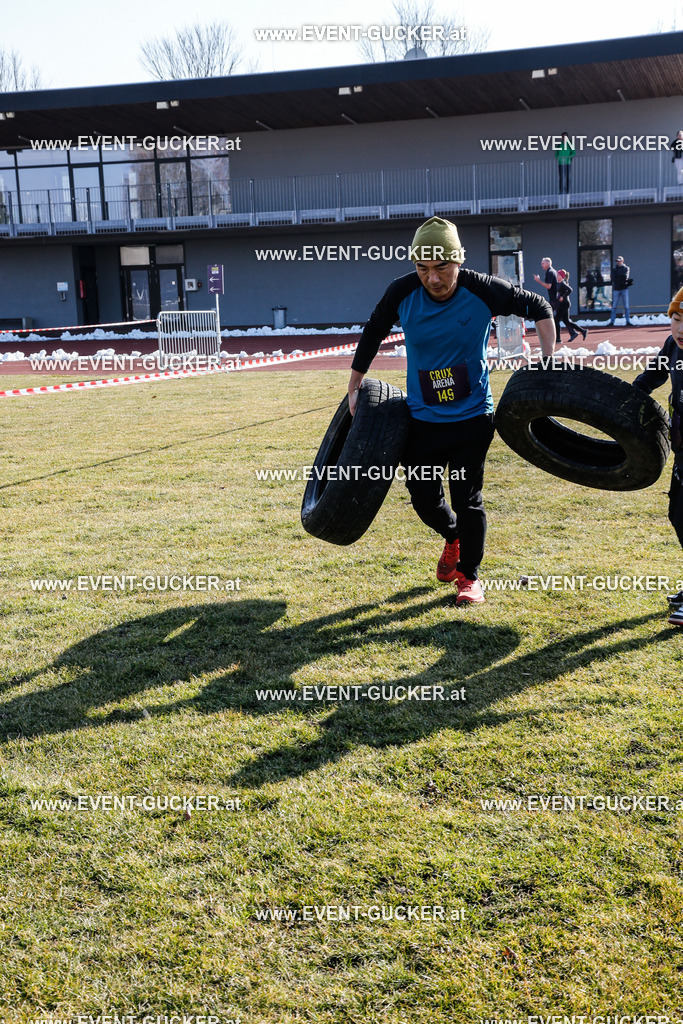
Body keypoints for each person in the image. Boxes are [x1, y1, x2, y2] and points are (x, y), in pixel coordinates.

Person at [347, 217, 555, 606]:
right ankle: (453, 536)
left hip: (472, 419)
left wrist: (547, 364)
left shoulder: (483, 289)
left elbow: (540, 306)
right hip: (421, 420)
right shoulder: (402, 292)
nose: (433, 278)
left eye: (442, 267)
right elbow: (374, 330)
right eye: (423, 268)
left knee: (467, 498)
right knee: (423, 498)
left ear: (458, 260)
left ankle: (470, 577)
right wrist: (354, 385)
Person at [632, 286, 683, 626]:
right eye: (676, 319)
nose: (680, 328)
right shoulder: (672, 346)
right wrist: (619, 402)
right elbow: (651, 377)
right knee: (678, 516)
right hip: (682, 448)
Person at [554, 270, 587, 345]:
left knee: (556, 320)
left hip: (564, 304)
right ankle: (582, 331)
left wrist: (563, 297)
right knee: (566, 321)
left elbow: (570, 290)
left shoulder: (562, 283)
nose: (557, 276)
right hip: (562, 304)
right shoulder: (558, 283)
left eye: (559, 275)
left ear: (562, 277)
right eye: (557, 275)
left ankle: (558, 339)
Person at [610, 255, 632, 326]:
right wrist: (621, 278)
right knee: (614, 306)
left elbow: (625, 277)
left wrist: (620, 278)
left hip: (624, 289)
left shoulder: (626, 268)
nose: (618, 262)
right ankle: (612, 321)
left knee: (626, 306)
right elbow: (613, 278)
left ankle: (628, 321)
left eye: (619, 261)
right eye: (617, 261)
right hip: (616, 289)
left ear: (622, 261)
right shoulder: (614, 270)